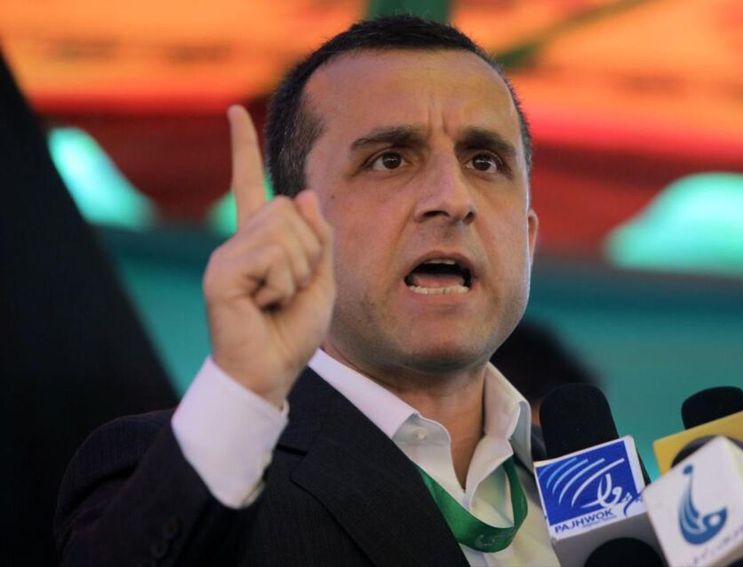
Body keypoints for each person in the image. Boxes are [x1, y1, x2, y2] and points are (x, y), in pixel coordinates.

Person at [55, 16, 559, 566]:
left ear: (527, 238)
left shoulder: (592, 487)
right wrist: (244, 388)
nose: (452, 198)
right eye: (390, 159)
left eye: (484, 162)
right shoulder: (200, 472)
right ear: (293, 229)